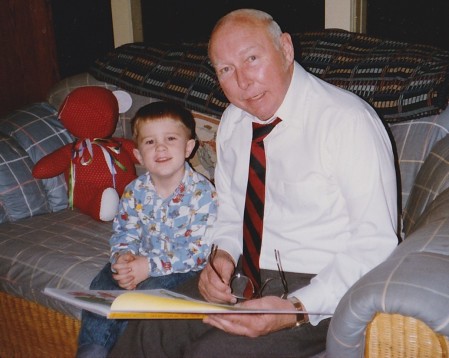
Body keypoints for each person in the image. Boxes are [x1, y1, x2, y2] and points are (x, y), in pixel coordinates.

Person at [108, 8, 399, 358]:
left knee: (213, 353)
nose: (243, 81)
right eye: (226, 70)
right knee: (149, 326)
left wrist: (295, 309)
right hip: (247, 274)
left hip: (324, 286)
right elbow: (231, 213)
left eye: (252, 58)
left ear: (286, 50)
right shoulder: (234, 121)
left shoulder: (348, 122)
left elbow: (375, 243)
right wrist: (221, 260)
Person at [76, 101, 218, 358]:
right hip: (140, 260)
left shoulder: (203, 193)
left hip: (185, 270)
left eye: (170, 138)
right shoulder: (134, 190)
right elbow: (124, 231)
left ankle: (123, 350)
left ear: (188, 147)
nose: (160, 147)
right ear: (139, 155)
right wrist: (123, 257)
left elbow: (201, 251)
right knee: (103, 283)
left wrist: (148, 267)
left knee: (147, 292)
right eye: (150, 142)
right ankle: (92, 350)